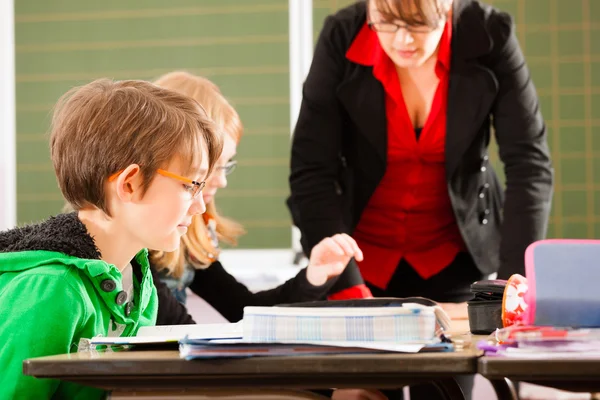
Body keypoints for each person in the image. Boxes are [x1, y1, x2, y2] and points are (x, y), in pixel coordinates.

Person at [288, 0, 553, 398]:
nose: (402, 40)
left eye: (417, 24)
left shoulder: (489, 33)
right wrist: (348, 290)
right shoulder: (342, 34)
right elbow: (312, 171)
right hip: (362, 263)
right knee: (365, 394)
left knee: (446, 389)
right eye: (387, 23)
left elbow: (529, 164)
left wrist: (509, 287)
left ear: (447, 7)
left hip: (456, 257)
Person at [0, 78, 222, 399]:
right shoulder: (52, 290)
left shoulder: (138, 282)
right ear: (129, 184)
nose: (201, 205)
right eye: (191, 185)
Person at [148, 71, 364, 325]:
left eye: (226, 165)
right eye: (212, 167)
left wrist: (312, 277)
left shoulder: (194, 236)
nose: (222, 180)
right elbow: (174, 329)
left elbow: (243, 308)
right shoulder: (134, 242)